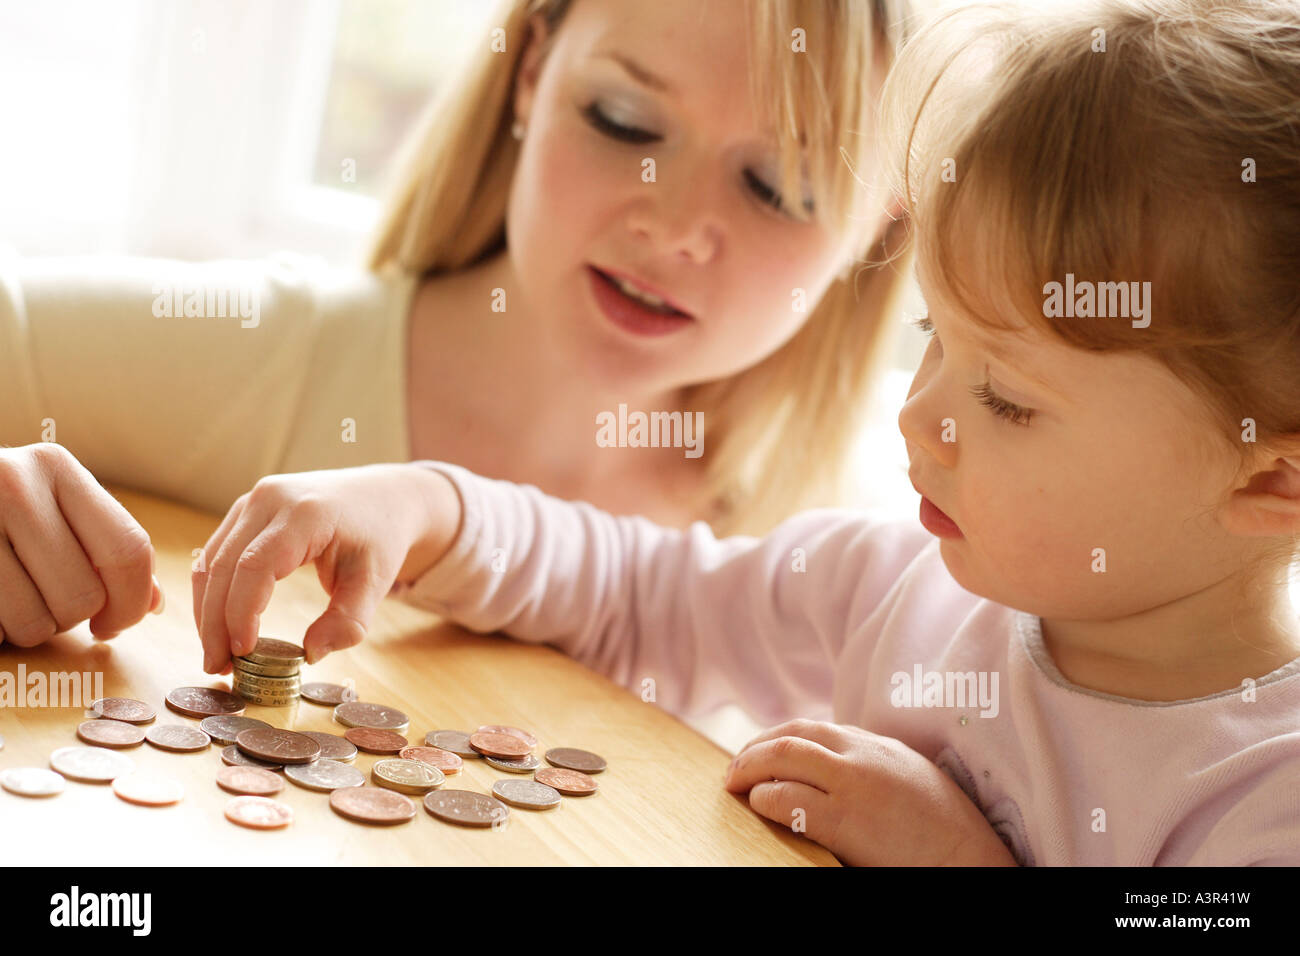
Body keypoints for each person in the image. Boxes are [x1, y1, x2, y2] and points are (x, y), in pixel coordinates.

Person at [192, 0, 1300, 865]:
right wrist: (432, 505)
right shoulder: (890, 585)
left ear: (1272, 478)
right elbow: (636, 592)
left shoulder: (1264, 789)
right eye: (931, 335)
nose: (919, 414)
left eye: (1004, 397)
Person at [0, 0, 915, 648]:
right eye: (624, 120)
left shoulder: (867, 575)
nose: (671, 227)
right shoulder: (266, 352)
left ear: (879, 228)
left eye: (781, 188)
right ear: (530, 74)